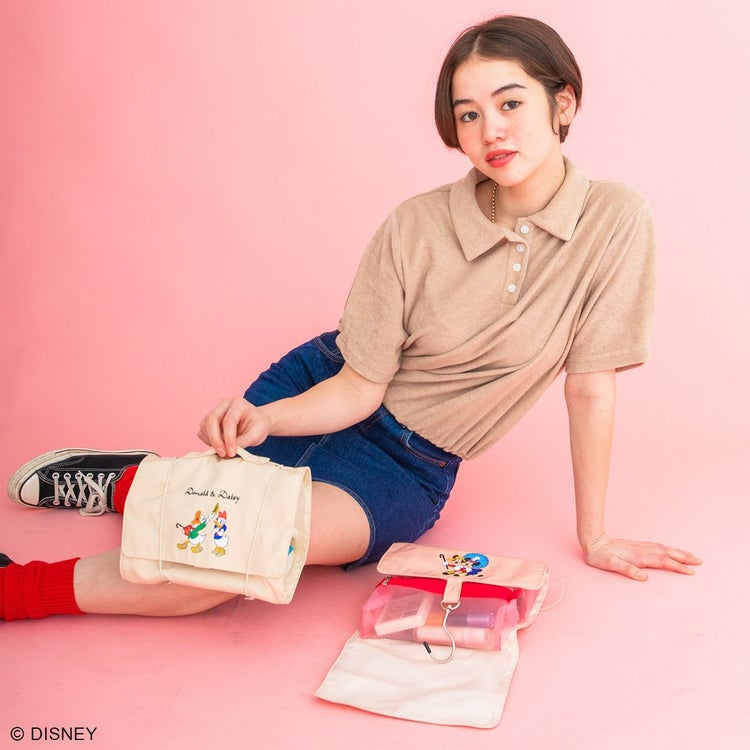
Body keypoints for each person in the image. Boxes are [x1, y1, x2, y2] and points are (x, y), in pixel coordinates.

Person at [1, 15, 701, 622]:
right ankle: (121, 498)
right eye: (467, 114)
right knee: (210, 537)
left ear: (563, 102)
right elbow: (360, 386)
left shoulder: (615, 220)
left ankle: (96, 520)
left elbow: (590, 385)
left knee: (229, 560)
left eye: (510, 102)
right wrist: (266, 418)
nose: (490, 130)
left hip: (407, 468)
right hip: (324, 391)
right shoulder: (415, 224)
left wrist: (594, 535)